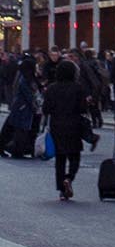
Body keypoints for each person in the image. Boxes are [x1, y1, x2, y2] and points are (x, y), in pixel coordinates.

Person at [42, 59, 89, 199]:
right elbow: (82, 109)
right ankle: (69, 177)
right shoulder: (78, 88)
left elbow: (46, 109)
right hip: (74, 125)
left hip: (57, 125)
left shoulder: (52, 88)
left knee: (60, 159)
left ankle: (62, 190)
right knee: (75, 155)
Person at [0, 54, 41, 157]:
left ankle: (21, 149)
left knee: (13, 128)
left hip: (22, 109)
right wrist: (36, 107)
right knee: (18, 130)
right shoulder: (26, 79)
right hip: (22, 109)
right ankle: (17, 150)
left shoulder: (29, 77)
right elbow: (29, 95)